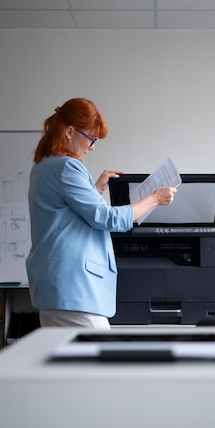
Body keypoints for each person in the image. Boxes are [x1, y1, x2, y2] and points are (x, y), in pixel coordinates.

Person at [26, 97, 176, 329]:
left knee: (72, 365)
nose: (92, 146)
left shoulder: (44, 165)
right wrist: (154, 199)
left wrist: (94, 189)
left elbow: (63, 216)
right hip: (74, 292)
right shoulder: (67, 166)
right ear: (69, 132)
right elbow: (108, 219)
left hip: (57, 292)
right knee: (103, 361)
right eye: (91, 138)